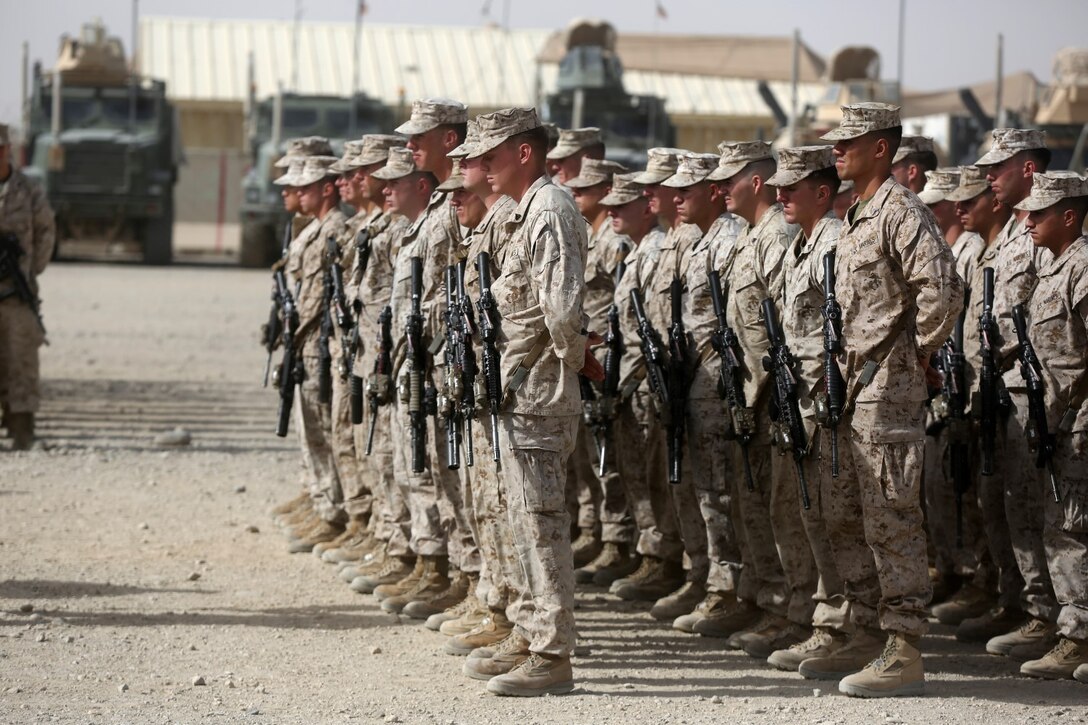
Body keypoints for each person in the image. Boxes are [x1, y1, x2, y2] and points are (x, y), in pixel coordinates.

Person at [808, 102, 963, 697]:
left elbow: (943, 290)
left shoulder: (900, 210)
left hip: (887, 391)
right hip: (853, 390)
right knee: (850, 510)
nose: (836, 150)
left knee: (893, 514)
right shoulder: (856, 218)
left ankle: (904, 646)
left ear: (881, 148)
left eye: (849, 142)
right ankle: (869, 631)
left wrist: (916, 356)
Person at [463, 107, 597, 696]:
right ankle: (528, 627)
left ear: (523, 153)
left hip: (540, 392)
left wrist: (572, 363)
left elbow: (562, 313)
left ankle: (553, 653)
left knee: (541, 524)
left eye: (491, 155)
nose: (482, 167)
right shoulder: (522, 214)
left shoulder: (550, 210)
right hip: (518, 391)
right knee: (520, 518)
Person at [709, 141, 816, 656]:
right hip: (749, 395)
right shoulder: (752, 238)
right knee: (759, 505)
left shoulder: (778, 237)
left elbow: (788, 328)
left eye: (729, 179)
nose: (719, 189)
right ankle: (770, 600)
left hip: (777, 397)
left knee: (787, 509)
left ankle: (798, 612)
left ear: (755, 182)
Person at [974, 129, 1061, 662]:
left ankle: (1055, 618)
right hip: (1008, 388)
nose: (989, 178)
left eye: (998, 168)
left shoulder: (1045, 229)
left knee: (1047, 510)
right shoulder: (1011, 231)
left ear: (1028, 169)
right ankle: (1031, 606)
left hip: (1043, 392)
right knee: (1016, 505)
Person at [764, 144, 852, 670]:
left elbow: (844, 330)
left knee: (833, 517)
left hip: (826, 405)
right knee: (811, 514)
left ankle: (843, 629)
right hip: (800, 402)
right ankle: (829, 622)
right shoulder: (803, 246)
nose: (780, 195)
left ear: (822, 192)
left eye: (790, 188)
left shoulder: (833, 245)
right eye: (777, 187)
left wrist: (826, 395)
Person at [1017, 170, 1088, 681]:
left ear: (1069, 216)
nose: (1027, 222)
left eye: (1038, 214)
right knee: (1060, 523)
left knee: (1071, 527)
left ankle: (1078, 637)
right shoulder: (1052, 267)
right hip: (1059, 420)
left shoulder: (1083, 266)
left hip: (1080, 419)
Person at [563, 157, 634, 575]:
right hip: (587, 354)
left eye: (586, 189)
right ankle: (595, 531)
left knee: (608, 457)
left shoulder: (614, 241)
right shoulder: (591, 235)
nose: (576, 194)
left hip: (606, 357)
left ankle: (616, 539)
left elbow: (624, 306)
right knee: (589, 456)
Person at [281, 153, 351, 553]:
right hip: (305, 342)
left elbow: (327, 295)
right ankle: (322, 502)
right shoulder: (313, 228)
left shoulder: (334, 229)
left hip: (318, 345)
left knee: (325, 430)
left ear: (325, 188)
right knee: (312, 429)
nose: (294, 193)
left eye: (304, 186)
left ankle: (332, 509)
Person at [0, 123, 55, 451]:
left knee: (21, 359)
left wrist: (30, 271)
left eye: (1, 148)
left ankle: (22, 428)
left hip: (17, 293)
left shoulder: (29, 190)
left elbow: (46, 232)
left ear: (8, 150)